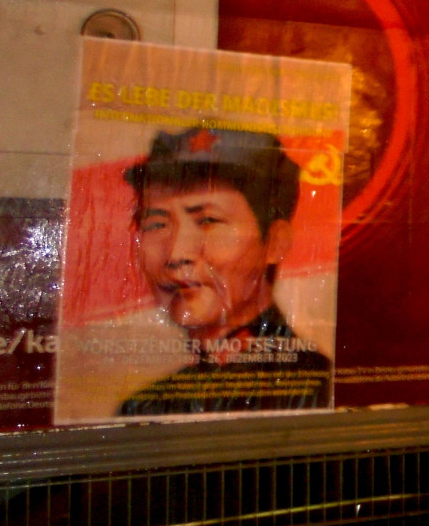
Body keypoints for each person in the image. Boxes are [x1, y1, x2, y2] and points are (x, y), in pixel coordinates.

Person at [118, 126, 332, 415]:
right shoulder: (145, 407)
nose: (176, 255)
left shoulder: (316, 389)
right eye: (156, 225)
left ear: (274, 242)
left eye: (208, 221)